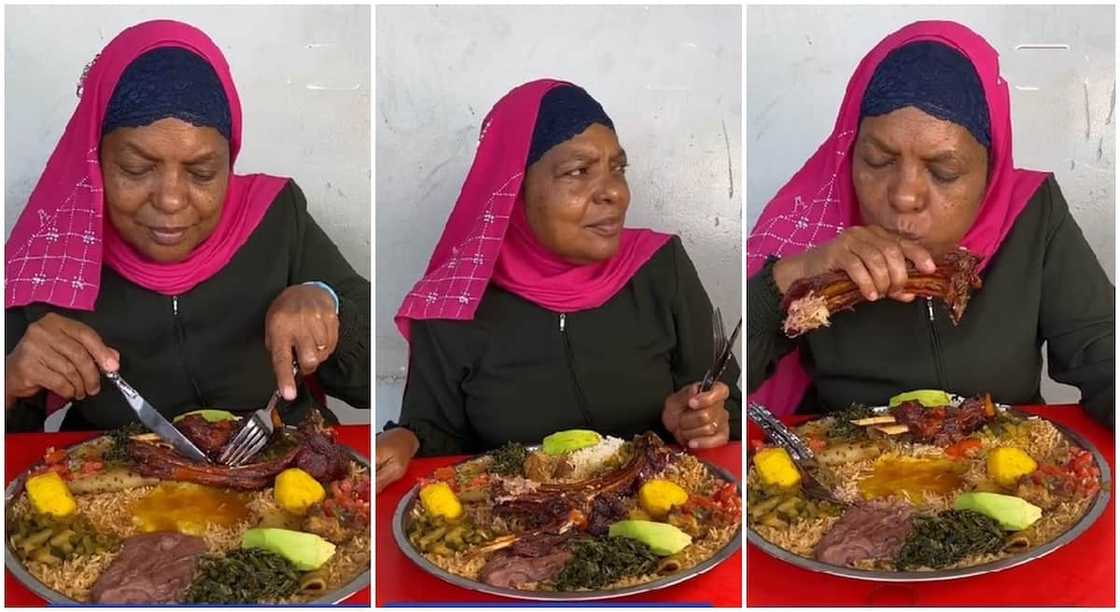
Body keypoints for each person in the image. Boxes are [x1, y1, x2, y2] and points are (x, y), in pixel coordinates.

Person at [5, 20, 370, 432]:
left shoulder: (275, 216)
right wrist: (10, 382)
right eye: (136, 168)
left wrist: (326, 305)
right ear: (95, 160)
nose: (171, 200)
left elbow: (369, 383)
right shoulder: (55, 250)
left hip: (286, 472)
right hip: (121, 480)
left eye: (202, 172)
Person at [376, 80, 741, 491]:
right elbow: (436, 441)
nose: (615, 194)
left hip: (663, 518)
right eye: (579, 172)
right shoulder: (453, 304)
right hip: (516, 532)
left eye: (618, 169)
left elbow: (728, 403)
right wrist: (405, 440)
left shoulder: (660, 268)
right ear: (514, 191)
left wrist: (702, 419)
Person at [746, 20, 1114, 427]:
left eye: (943, 171)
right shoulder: (810, 225)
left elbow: (1102, 350)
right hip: (845, 470)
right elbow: (721, 388)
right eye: (878, 160)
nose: (904, 195)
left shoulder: (1031, 214)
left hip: (1003, 469)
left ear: (990, 174)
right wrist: (795, 275)